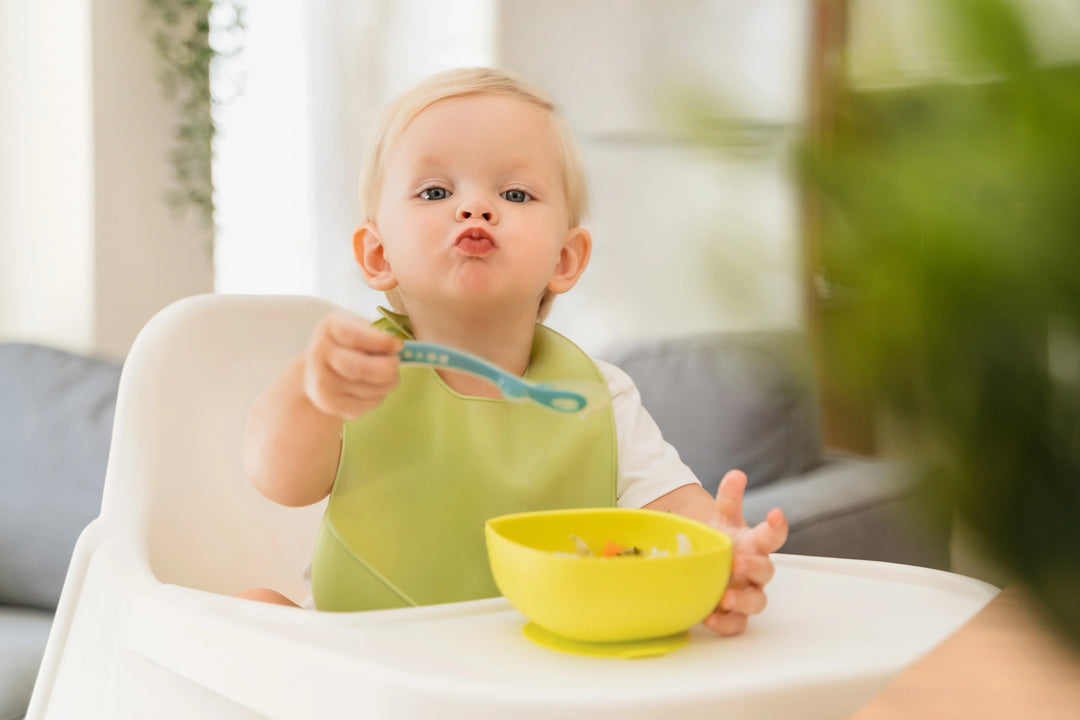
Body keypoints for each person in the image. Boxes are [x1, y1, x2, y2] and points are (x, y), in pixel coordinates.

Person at [240, 67, 788, 637]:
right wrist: (314, 392)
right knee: (255, 609)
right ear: (377, 254)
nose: (475, 208)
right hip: (366, 660)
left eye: (515, 193)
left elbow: (673, 510)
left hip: (534, 669)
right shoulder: (354, 375)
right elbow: (278, 478)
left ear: (565, 259)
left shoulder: (596, 397)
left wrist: (717, 554)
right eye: (435, 191)